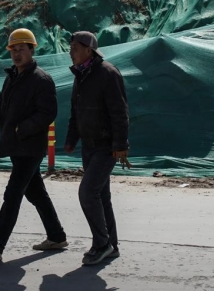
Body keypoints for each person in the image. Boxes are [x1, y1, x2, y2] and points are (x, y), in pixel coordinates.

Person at [0, 28, 68, 261]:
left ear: (32, 50)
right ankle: (56, 236)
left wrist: (21, 129)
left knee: (12, 194)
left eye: (21, 49)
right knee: (36, 193)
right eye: (13, 49)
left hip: (30, 147)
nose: (16, 54)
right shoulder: (12, 77)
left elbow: (47, 113)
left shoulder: (41, 79)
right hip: (17, 146)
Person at [64, 31, 131, 266]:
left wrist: (120, 145)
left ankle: (101, 244)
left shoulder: (107, 74)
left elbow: (119, 113)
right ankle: (111, 245)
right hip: (88, 146)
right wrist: (71, 138)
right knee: (102, 196)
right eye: (70, 47)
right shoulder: (80, 75)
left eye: (74, 47)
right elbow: (76, 111)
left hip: (106, 146)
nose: (70, 52)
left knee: (87, 193)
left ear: (88, 50)